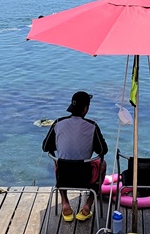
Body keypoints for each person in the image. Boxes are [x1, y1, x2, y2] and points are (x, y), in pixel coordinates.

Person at [41, 91, 108, 222]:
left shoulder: (58, 123)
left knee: (58, 163)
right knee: (103, 165)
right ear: (85, 109)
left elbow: (45, 147)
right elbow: (103, 150)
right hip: (85, 176)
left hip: (63, 177)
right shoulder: (92, 126)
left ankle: (65, 203)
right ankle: (88, 205)